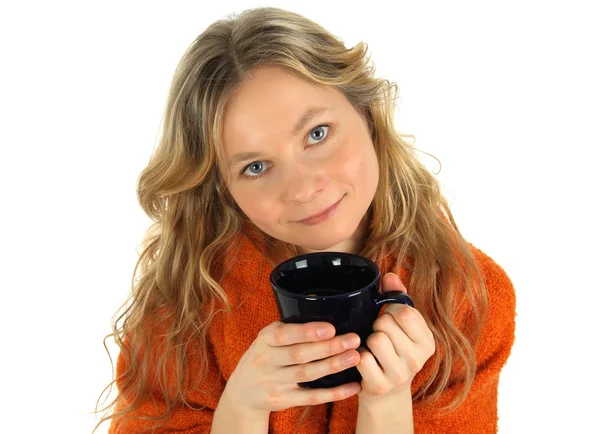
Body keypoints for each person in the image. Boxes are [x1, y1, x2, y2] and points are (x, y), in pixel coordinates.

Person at [94, 6, 516, 434]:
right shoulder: (183, 307)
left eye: (317, 134)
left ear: (367, 113)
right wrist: (241, 411)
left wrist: (387, 402)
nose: (301, 188)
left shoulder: (469, 295)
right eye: (256, 167)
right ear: (223, 188)